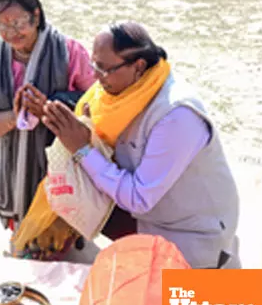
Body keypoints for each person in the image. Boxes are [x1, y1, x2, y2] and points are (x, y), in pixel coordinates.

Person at [41, 21, 240, 269]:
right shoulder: (112, 96)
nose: (95, 76)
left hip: (192, 233)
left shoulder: (175, 114)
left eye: (104, 69)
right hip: (150, 218)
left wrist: (83, 149)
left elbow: (138, 198)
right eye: (94, 65)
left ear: (139, 66)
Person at [0, 0, 95, 242]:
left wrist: (48, 108)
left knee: (58, 245)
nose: (12, 33)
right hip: (13, 173)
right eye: (3, 25)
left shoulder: (69, 52)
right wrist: (16, 117)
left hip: (60, 166)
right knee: (28, 248)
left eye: (18, 24)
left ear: (36, 15)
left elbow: (95, 105)